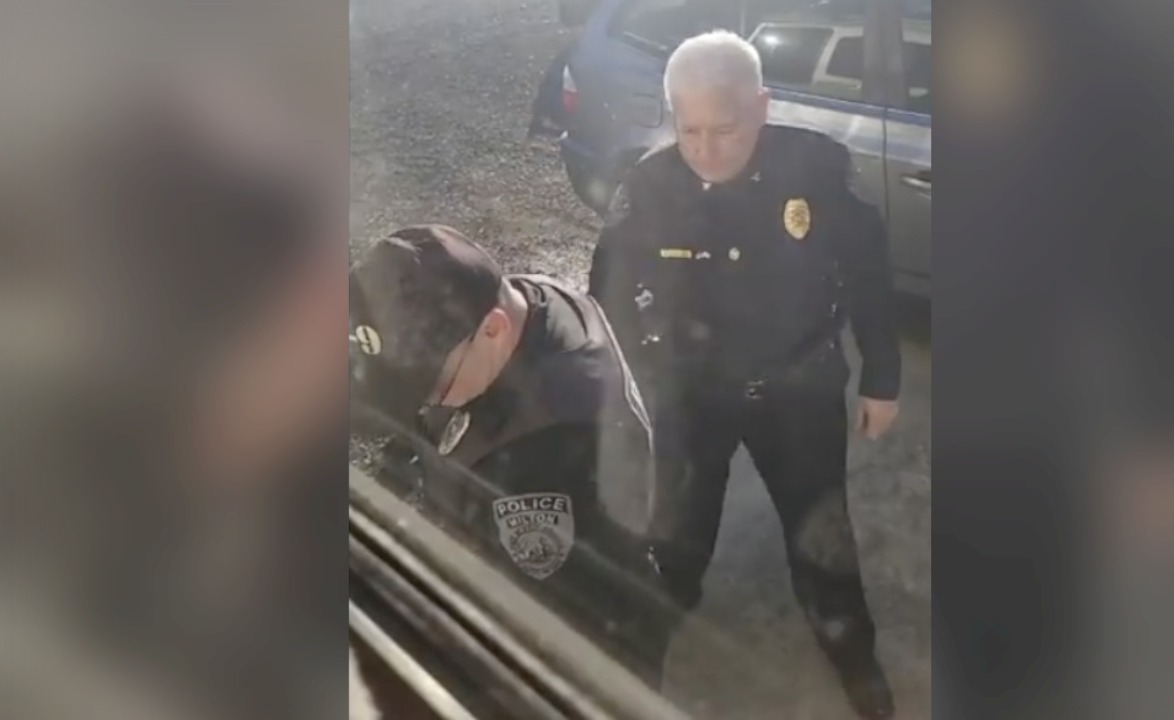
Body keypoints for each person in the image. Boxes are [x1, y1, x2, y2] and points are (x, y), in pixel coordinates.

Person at [588, 31, 902, 718]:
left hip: (799, 395)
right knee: (675, 536)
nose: (704, 148)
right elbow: (607, 295)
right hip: (692, 400)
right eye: (688, 127)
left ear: (762, 105)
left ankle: (854, 658)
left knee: (822, 541)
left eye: (724, 128)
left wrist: (882, 375)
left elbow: (869, 277)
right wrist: (628, 392)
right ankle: (645, 651)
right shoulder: (648, 188)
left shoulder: (816, 172)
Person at [348, 223, 677, 688]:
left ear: (494, 329)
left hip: (588, 650)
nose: (426, 403)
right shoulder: (527, 300)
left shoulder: (541, 461)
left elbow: (525, 629)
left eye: (429, 387)